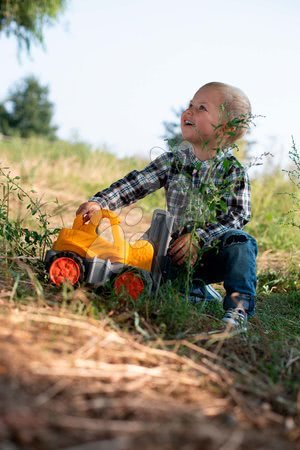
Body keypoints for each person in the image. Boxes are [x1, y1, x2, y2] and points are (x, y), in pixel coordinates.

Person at [76, 81, 258, 331]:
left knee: (242, 242)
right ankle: (192, 290)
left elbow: (239, 214)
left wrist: (200, 237)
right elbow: (137, 183)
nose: (189, 111)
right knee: (143, 284)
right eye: (190, 105)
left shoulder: (233, 172)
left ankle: (237, 312)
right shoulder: (173, 161)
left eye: (201, 108)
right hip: (177, 253)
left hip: (214, 249)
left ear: (225, 129)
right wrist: (101, 201)